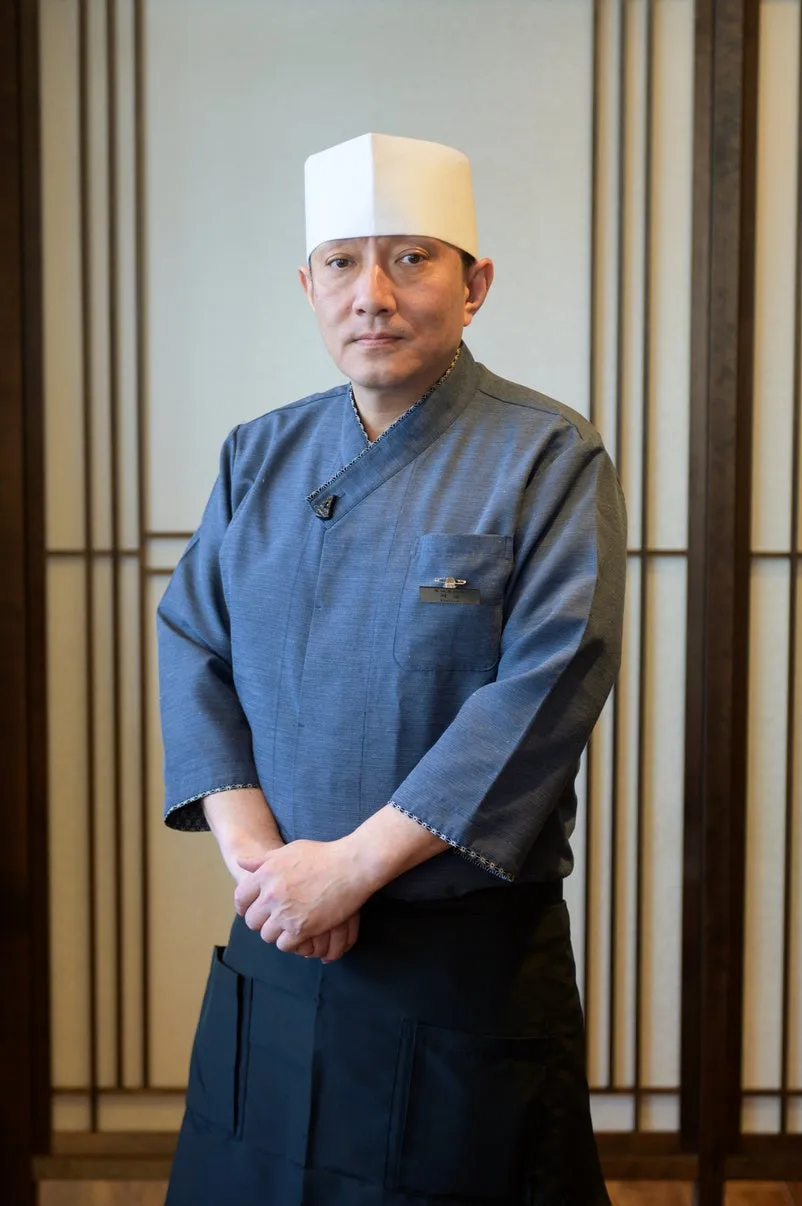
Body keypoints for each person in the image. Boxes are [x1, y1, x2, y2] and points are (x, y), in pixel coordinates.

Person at [159, 131, 626, 1206]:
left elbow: (548, 685)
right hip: (279, 936)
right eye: (341, 263)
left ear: (475, 284)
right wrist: (268, 867)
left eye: (411, 258)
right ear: (308, 287)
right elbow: (193, 644)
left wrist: (351, 870)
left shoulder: (545, 454)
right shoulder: (258, 452)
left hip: (454, 964)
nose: (372, 293)